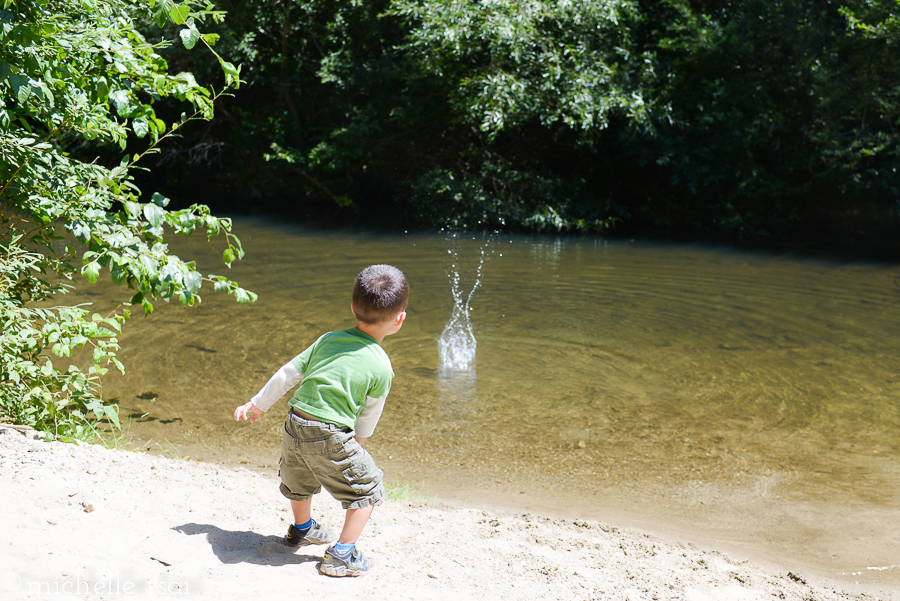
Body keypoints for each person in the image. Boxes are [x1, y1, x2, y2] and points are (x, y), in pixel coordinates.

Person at [233, 264, 408, 577]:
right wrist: (360, 442)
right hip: (331, 433)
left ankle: (302, 529)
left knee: (299, 480)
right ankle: (342, 553)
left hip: (296, 421)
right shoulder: (382, 366)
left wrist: (257, 404)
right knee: (367, 489)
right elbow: (370, 412)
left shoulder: (328, 340)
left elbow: (288, 373)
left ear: (353, 307)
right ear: (399, 318)